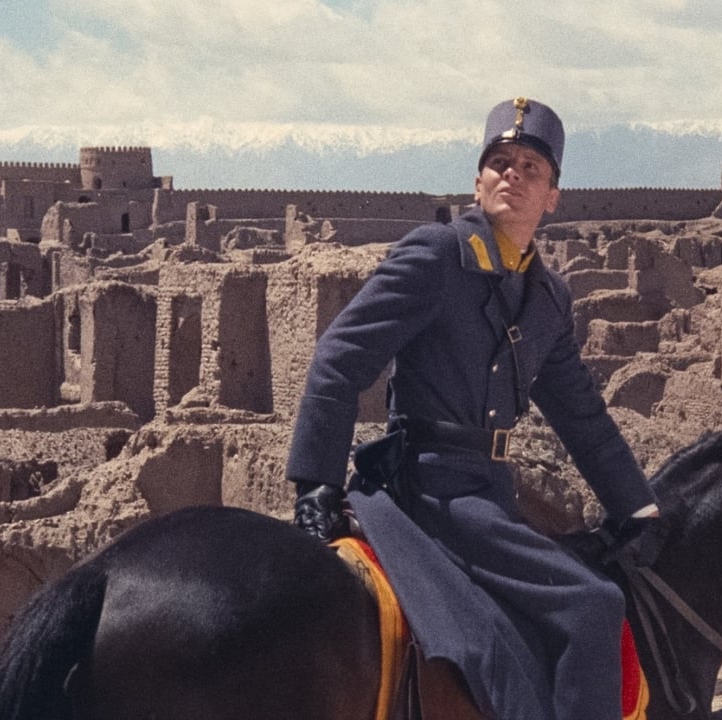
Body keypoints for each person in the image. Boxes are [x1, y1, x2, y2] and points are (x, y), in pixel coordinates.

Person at [287, 97, 663, 720]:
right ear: (478, 182)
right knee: (594, 605)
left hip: (490, 494)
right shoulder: (438, 256)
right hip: (428, 491)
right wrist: (316, 483)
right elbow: (339, 355)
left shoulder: (547, 297)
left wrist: (638, 508)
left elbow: (581, 415)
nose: (513, 174)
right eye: (500, 162)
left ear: (553, 197)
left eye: (531, 167)